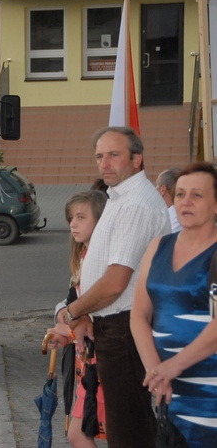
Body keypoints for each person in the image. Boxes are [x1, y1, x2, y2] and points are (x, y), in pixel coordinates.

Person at [61, 126, 170, 447]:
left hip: (125, 326)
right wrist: (85, 316)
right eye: (99, 156)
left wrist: (73, 312)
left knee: (129, 428)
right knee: (126, 424)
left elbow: (115, 282)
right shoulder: (119, 197)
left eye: (114, 155)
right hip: (110, 323)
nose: (104, 163)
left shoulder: (136, 203)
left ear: (137, 159)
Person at [131, 161, 217, 448]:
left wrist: (173, 367)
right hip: (169, 390)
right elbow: (139, 315)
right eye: (180, 194)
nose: (186, 202)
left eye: (197, 195)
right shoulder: (158, 247)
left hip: (210, 392)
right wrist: (155, 371)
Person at [45, 190, 108, 447]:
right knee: (78, 433)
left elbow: (95, 316)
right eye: (71, 217)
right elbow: (73, 306)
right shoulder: (84, 256)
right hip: (88, 361)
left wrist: (69, 323)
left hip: (104, 359)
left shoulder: (103, 260)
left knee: (116, 431)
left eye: (81, 217)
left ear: (101, 221)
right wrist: (66, 327)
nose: (73, 223)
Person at [156, 167, 182, 233]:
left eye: (157, 185)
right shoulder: (165, 215)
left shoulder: (177, 219)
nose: (155, 190)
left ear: (163, 189)